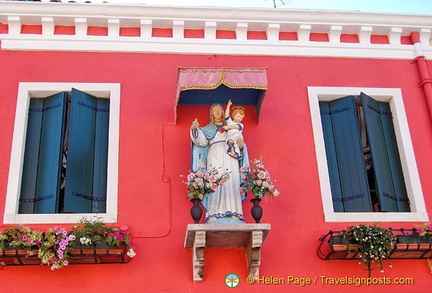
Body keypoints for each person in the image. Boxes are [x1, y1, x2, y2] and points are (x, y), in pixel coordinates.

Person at [190, 103, 249, 223]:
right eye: (215, 110)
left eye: (219, 110)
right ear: (211, 113)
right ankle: (214, 212)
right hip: (215, 154)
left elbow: (240, 142)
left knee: (231, 180)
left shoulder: (231, 126)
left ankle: (234, 211)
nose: (217, 112)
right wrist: (195, 129)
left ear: (223, 112)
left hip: (230, 155)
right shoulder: (208, 129)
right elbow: (200, 141)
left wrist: (241, 146)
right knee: (215, 180)